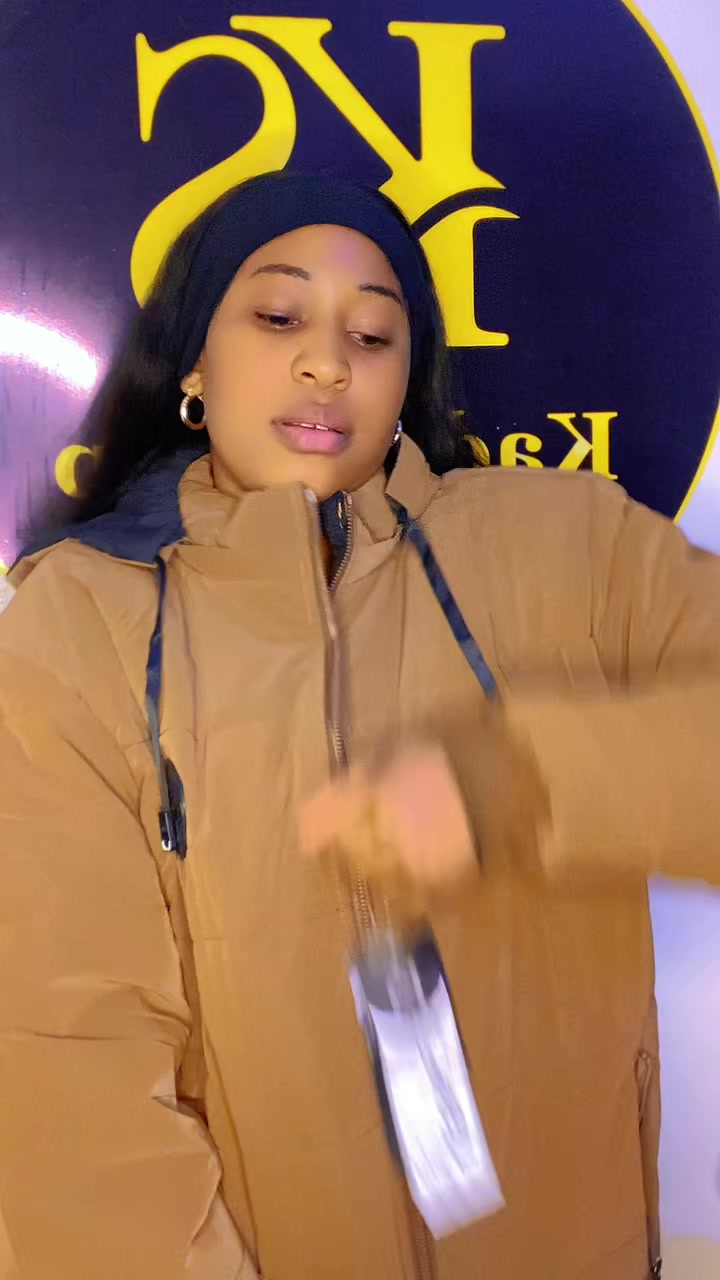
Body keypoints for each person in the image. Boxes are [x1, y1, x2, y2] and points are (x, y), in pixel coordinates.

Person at [0, 171, 718, 1280]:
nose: (328, 362)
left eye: (372, 334)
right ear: (193, 363)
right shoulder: (78, 621)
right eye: (278, 316)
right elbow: (65, 1059)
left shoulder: (569, 543)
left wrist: (523, 781)